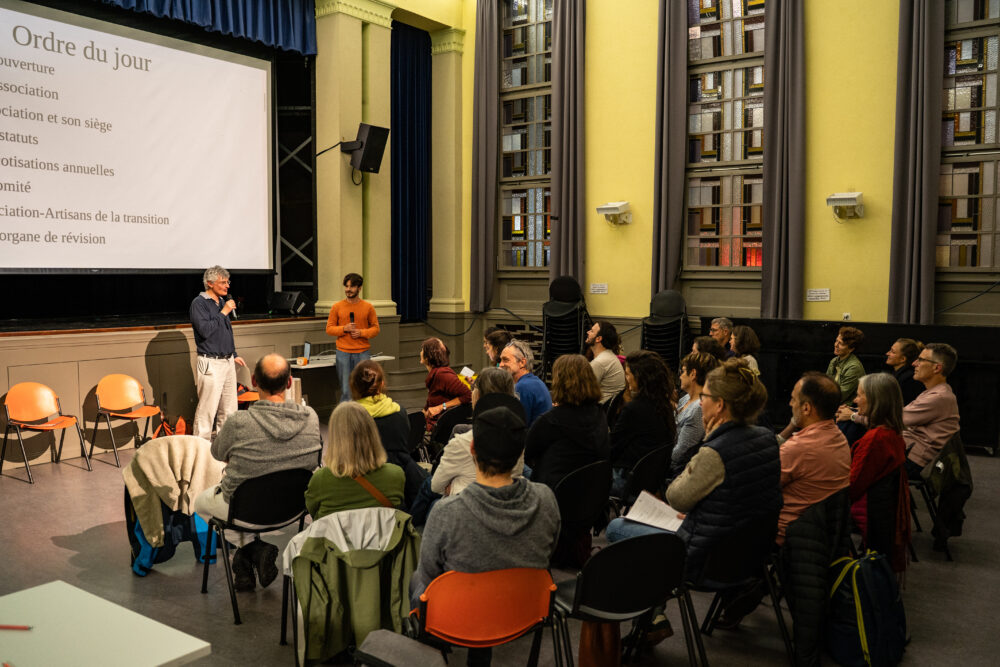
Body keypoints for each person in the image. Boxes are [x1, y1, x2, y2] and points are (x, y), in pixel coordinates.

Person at [410, 404, 560, 666]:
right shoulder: (546, 500)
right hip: (524, 612)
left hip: (459, 618)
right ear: (520, 453)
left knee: (416, 582)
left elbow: (428, 575)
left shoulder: (447, 513)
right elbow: (549, 551)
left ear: (472, 449)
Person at [193, 353, 321, 591]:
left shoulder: (238, 422)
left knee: (199, 503)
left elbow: (217, 453)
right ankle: (245, 562)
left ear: (253, 381)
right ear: (289, 382)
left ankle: (253, 549)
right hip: (294, 508)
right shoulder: (310, 418)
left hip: (245, 510)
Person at [837, 343, 960, 480]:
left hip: (912, 460)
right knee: (854, 431)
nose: (914, 363)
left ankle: (839, 474)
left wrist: (853, 416)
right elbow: (896, 414)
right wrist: (855, 411)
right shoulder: (935, 392)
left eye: (921, 360)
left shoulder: (938, 397)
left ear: (937, 368)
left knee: (855, 438)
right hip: (906, 448)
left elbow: (892, 420)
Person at [775, 372, 850, 544]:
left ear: (806, 408)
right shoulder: (839, 438)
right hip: (823, 536)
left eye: (793, 399)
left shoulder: (798, 448)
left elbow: (763, 490)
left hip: (788, 537)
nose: (790, 404)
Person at [431, 368, 527, 500]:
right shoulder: (518, 436)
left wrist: (453, 488)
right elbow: (516, 476)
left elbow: (436, 486)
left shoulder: (461, 442)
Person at [847, 373, 910, 573]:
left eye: (859, 395)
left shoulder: (875, 439)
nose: (855, 400)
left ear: (876, 400)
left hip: (871, 515)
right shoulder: (892, 433)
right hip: (882, 514)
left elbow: (853, 485)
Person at [304, 401, 405, 520]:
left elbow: (314, 514)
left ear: (336, 438)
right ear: (372, 433)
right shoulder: (396, 475)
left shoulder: (320, 480)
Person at [524, 354, 610, 490]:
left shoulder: (550, 420)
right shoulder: (600, 414)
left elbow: (527, 452)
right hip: (590, 490)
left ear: (560, 383)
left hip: (551, 493)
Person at [349, 360, 426, 510]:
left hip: (364, 482)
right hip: (403, 480)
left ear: (354, 386)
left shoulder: (350, 417)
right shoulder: (399, 411)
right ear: (382, 384)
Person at [189, 265, 246, 440]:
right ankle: (200, 448)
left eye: (228, 282)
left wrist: (234, 354)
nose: (227, 286)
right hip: (210, 362)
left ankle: (225, 446)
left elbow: (226, 332)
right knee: (207, 410)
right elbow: (205, 331)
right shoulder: (199, 303)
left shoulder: (221, 302)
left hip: (227, 362)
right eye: (223, 282)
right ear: (210, 283)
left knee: (229, 410)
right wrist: (224, 312)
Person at [609, 350, 677, 496]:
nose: (626, 378)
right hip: (650, 480)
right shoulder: (665, 406)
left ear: (639, 377)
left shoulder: (633, 409)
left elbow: (612, 448)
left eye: (628, 374)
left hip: (626, 479)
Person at [326, 272, 380, 403]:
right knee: (346, 390)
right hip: (343, 353)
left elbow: (376, 329)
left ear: (359, 288)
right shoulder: (337, 307)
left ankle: (363, 413)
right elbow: (329, 329)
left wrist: (361, 333)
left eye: (352, 286)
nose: (348, 289)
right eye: (346, 286)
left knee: (364, 388)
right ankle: (346, 414)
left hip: (362, 353)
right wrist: (344, 329)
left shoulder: (368, 307)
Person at [671, 352, 720, 476]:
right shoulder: (686, 398)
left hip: (677, 471)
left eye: (683, 371)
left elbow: (681, 453)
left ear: (693, 374)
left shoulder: (699, 407)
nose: (680, 376)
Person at [420, 337, 472, 430]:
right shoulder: (436, 374)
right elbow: (431, 401)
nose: (420, 352)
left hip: (441, 426)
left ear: (428, 356)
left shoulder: (443, 374)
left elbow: (468, 395)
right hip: (434, 422)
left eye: (422, 350)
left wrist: (441, 407)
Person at [498, 339, 552, 426]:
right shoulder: (534, 383)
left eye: (505, 360)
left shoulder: (522, 387)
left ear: (522, 362)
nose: (500, 365)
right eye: (500, 360)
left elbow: (515, 426)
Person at [585, 320, 627, 404]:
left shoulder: (600, 362)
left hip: (599, 408)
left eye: (592, 331)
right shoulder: (609, 356)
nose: (588, 332)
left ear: (598, 339)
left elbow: (583, 392)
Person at [826, 326, 865, 405]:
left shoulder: (854, 367)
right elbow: (825, 384)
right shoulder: (834, 361)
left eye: (841, 343)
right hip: (833, 403)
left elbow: (839, 396)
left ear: (851, 349)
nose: (836, 345)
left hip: (848, 407)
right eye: (836, 341)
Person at [885, 337, 925, 405]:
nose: (887, 353)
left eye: (892, 352)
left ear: (903, 359)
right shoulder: (899, 375)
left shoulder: (908, 379)